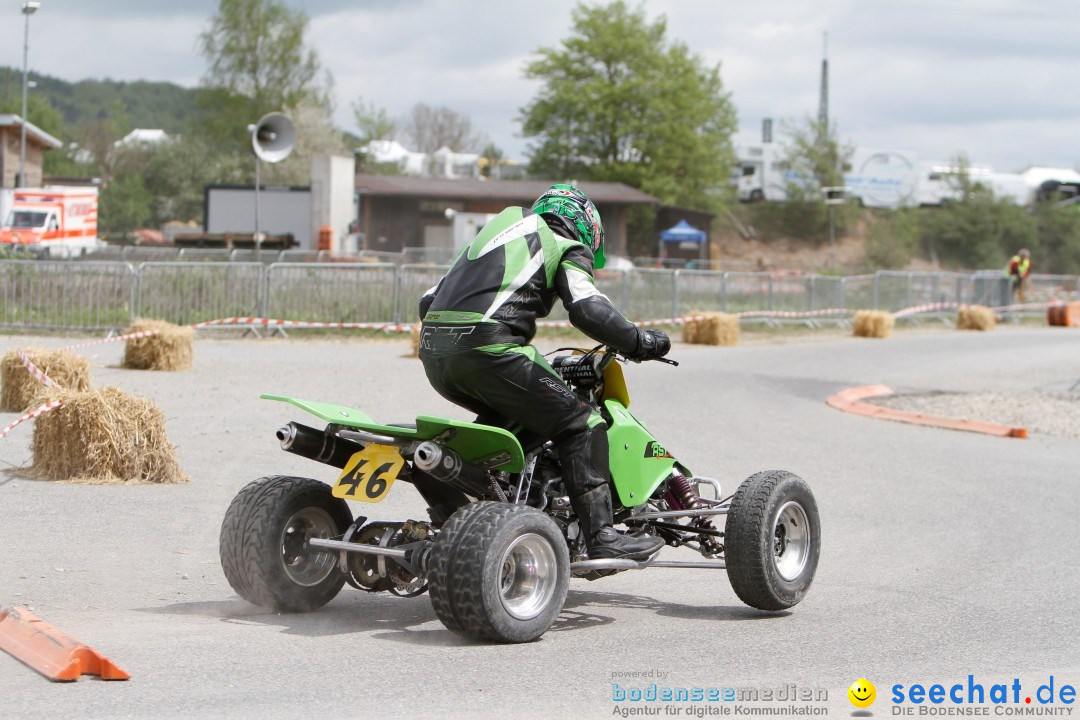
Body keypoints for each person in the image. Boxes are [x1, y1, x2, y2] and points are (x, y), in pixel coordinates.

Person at [417, 184, 669, 560]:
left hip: (436, 354)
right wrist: (641, 341)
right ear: (585, 224)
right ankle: (602, 537)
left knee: (512, 426)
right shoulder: (563, 242)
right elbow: (588, 308)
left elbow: (427, 302)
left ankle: (471, 513)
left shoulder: (491, 240)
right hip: (492, 350)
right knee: (581, 425)